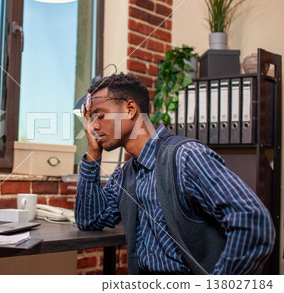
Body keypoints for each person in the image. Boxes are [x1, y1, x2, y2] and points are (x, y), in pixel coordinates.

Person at [75, 72, 275, 275]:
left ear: (130, 109)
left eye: (100, 115)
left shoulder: (186, 157)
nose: (94, 126)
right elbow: (90, 220)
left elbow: (253, 222)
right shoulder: (125, 174)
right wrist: (93, 154)